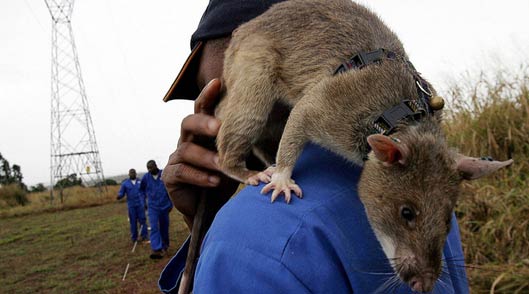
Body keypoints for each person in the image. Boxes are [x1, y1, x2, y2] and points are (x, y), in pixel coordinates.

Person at [159, 0, 470, 293]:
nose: (211, 112)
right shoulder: (429, 184)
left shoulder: (251, 238)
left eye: (216, 92)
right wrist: (211, 220)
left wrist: (222, 229)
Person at [140, 160, 173, 259]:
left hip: (164, 206)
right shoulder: (146, 178)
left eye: (151, 167)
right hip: (152, 207)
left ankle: (165, 246)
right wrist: (143, 202)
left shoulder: (164, 174)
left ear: (156, 166)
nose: (150, 170)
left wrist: (171, 203)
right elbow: (141, 190)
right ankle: (156, 249)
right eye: (148, 168)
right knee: (154, 227)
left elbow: (170, 189)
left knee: (164, 227)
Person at [117, 168, 148, 243]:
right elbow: (121, 192)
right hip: (132, 206)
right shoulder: (125, 183)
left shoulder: (140, 182)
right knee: (133, 222)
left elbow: (145, 192)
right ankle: (134, 238)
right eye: (131, 173)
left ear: (136, 174)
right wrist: (119, 196)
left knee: (142, 221)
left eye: (134, 173)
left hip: (141, 205)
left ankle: (144, 236)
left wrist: (145, 203)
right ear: (129, 174)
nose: (132, 174)